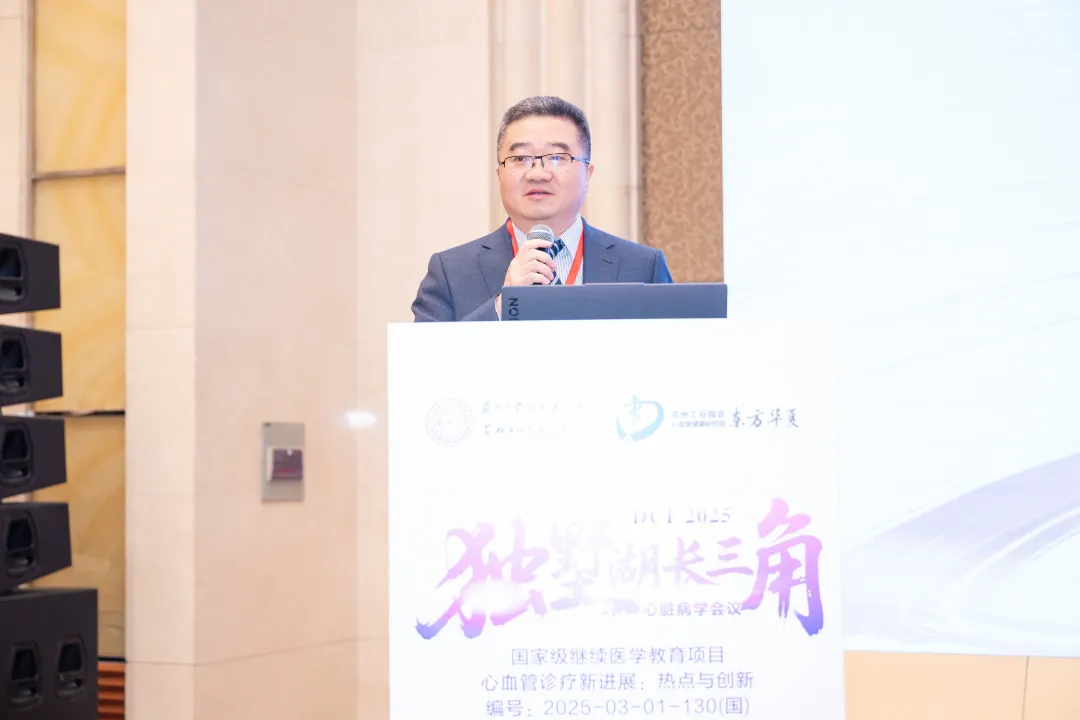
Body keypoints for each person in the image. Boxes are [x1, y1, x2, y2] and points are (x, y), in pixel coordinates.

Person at [411, 96, 673, 322]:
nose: (537, 174)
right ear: (499, 175)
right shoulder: (451, 272)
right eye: (520, 158)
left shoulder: (642, 267)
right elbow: (424, 361)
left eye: (557, 157)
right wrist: (503, 306)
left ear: (588, 175)